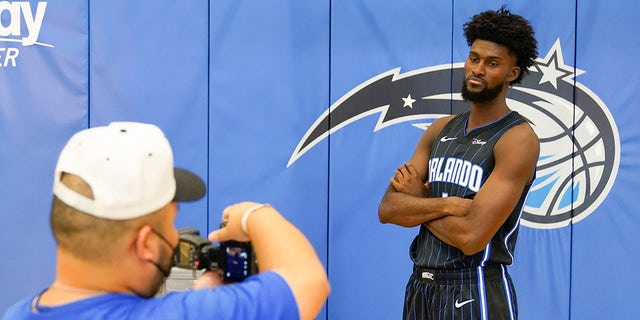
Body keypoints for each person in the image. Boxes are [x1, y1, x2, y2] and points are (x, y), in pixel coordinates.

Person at [3, 122, 330, 320]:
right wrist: (253, 215)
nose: (175, 239)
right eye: (170, 226)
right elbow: (307, 282)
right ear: (144, 243)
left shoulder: (17, 314)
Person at [378, 6, 539, 320]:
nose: (478, 69)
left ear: (512, 73)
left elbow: (471, 237)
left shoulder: (517, 139)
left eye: (492, 63)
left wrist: (421, 199)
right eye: (474, 58)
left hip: (475, 287)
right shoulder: (440, 129)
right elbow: (388, 208)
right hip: (420, 287)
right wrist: (448, 205)